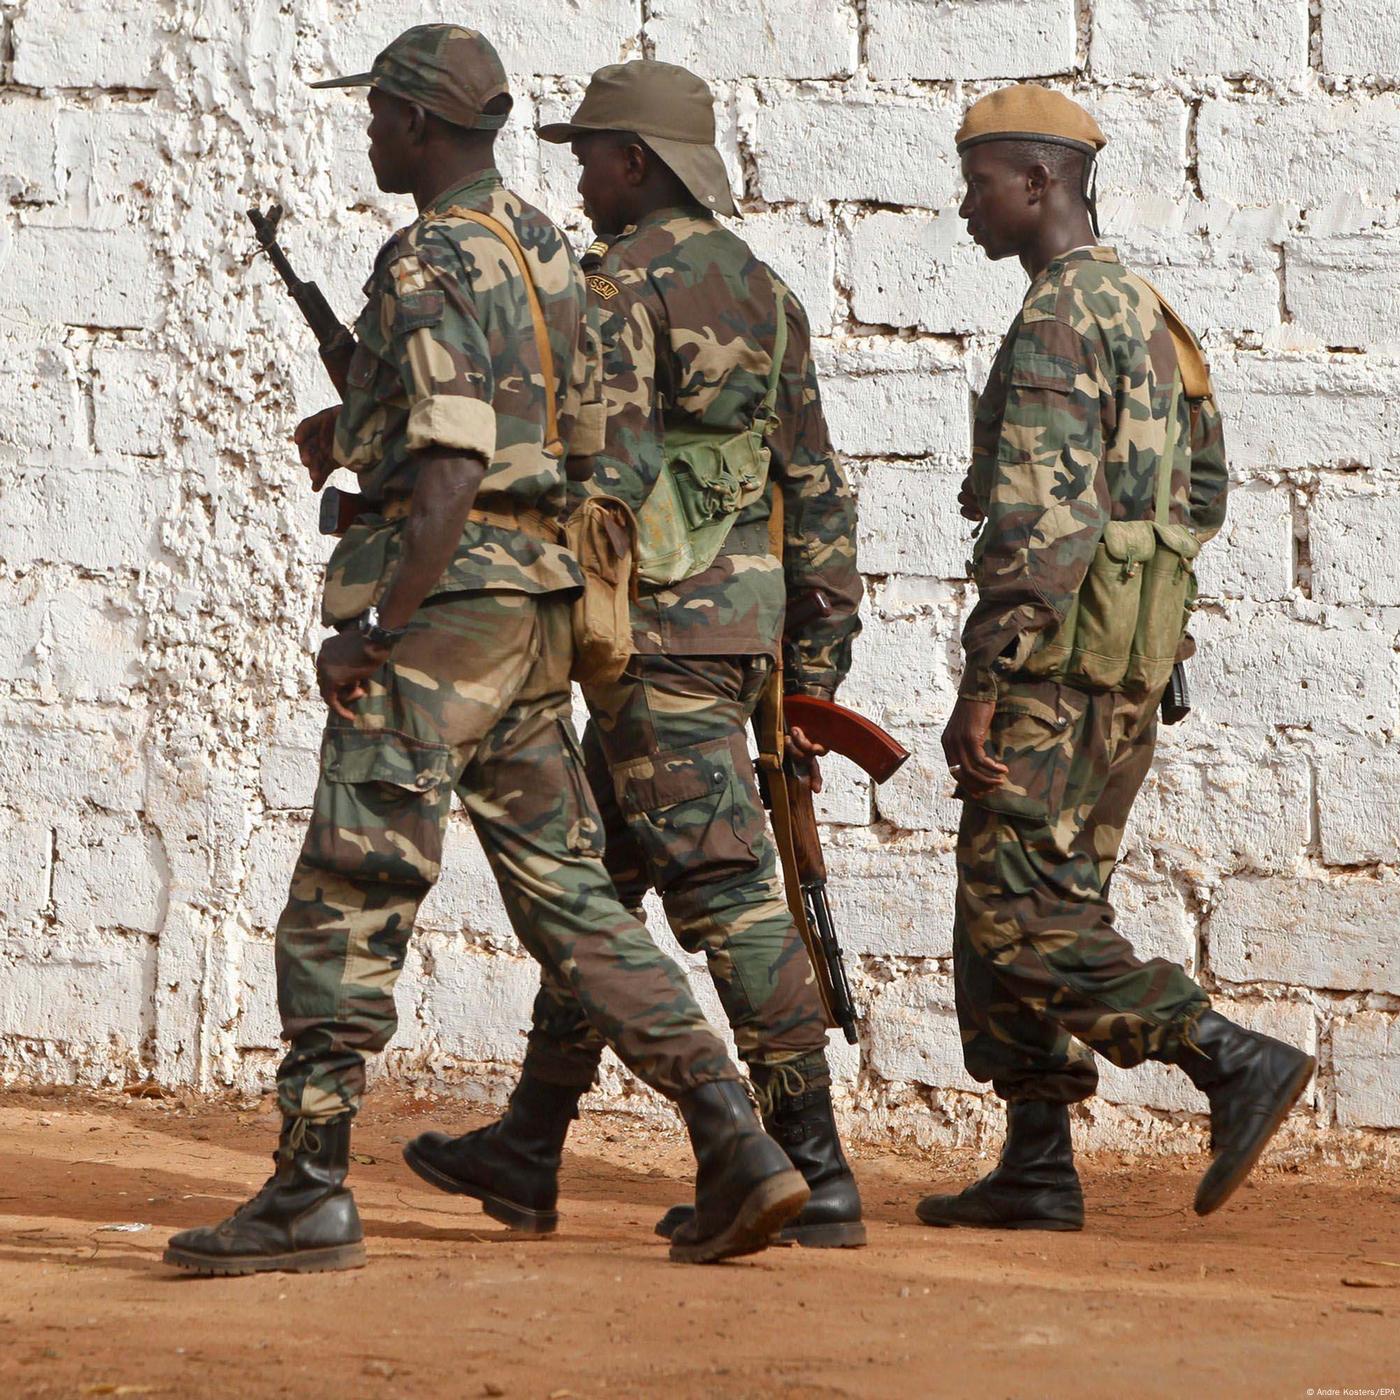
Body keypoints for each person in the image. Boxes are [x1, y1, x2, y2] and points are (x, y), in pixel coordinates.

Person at [162, 25, 809, 1276]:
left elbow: (456, 461)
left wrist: (377, 626)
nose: (366, 134)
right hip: (541, 614)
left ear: (416, 121)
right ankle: (737, 1139)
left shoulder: (427, 254)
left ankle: (306, 1184)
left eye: (376, 116)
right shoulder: (554, 249)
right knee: (571, 899)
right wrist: (365, 424)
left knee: (351, 882)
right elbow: (595, 445)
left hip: (445, 612)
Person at [404, 61, 867, 1250]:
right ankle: (530, 1140)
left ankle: (809, 1163)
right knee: (597, 888)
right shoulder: (768, 293)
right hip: (737, 639)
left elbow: (590, 467)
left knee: (723, 887)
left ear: (638, 164)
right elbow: (812, 485)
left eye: (592, 153)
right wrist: (812, 654)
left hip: (647, 639)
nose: (579, 174)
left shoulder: (619, 287)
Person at [922, 83, 1315, 1231]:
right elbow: (1202, 491)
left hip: (1049, 676)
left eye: (979, 180)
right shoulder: (1149, 313)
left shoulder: (1057, 316)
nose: (963, 204)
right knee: (1036, 898)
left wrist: (982, 686)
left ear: (1038, 183)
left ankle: (1221, 1054)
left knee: (1017, 912)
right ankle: (1036, 1161)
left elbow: (1039, 527)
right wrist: (1156, 627)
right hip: (1124, 675)